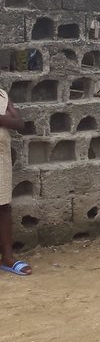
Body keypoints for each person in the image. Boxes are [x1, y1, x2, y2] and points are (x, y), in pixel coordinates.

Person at [0, 83, 29, 276]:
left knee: (3, 206)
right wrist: (5, 119)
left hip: (1, 157)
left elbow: (19, 123)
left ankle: (7, 258)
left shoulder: (2, 95)